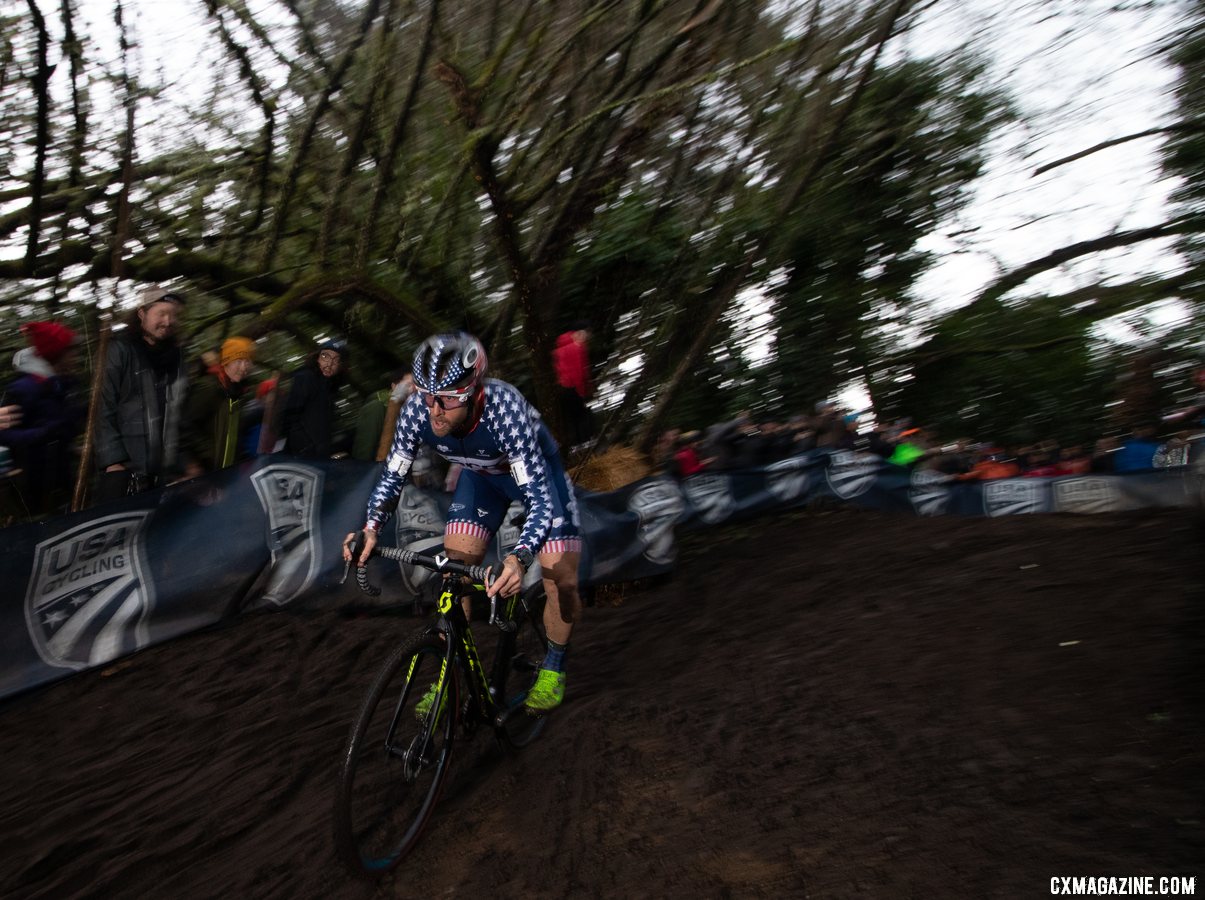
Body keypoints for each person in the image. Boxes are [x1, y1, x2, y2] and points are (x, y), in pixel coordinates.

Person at [344, 332, 584, 714]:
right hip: (481, 481)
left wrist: (519, 559)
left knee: (561, 577)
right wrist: (371, 527)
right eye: (426, 395)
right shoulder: (417, 411)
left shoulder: (504, 409)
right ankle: (449, 678)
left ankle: (554, 666)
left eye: (447, 399)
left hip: (538, 480)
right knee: (454, 572)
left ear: (473, 393)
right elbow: (393, 475)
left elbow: (539, 501)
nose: (434, 410)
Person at [95, 287, 189, 502]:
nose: (168, 321)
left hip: (162, 471)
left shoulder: (177, 357)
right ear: (142, 313)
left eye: (173, 315)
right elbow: (103, 406)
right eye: (161, 314)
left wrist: (181, 463)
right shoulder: (120, 350)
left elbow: (179, 414)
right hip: (125, 468)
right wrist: (112, 461)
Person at [0, 321, 85, 517]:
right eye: (70, 352)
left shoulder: (64, 386)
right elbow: (5, 435)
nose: (75, 357)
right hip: (32, 483)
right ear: (57, 354)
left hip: (63, 478)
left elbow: (68, 424)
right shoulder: (23, 389)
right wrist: (44, 434)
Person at [180, 336, 257, 475]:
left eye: (247, 362)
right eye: (239, 361)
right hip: (205, 473)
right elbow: (186, 425)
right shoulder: (209, 387)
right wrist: (209, 455)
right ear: (226, 361)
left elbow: (234, 434)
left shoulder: (237, 392)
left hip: (227, 474)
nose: (244, 367)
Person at [280, 338, 346, 458]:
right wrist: (305, 446)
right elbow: (290, 416)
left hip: (319, 456)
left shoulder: (331, 387)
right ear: (317, 358)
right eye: (325, 357)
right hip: (300, 455)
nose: (330, 364)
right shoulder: (306, 378)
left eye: (336, 360)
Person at [352, 368, 412, 462]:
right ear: (394, 386)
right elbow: (364, 449)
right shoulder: (376, 408)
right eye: (408, 385)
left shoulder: (410, 408)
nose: (412, 389)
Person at [552, 326, 594, 448]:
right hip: (575, 387)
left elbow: (558, 369)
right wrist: (583, 390)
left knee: (571, 417)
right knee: (582, 415)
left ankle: (575, 445)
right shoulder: (579, 348)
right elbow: (581, 371)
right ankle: (586, 442)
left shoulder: (558, 350)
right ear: (579, 333)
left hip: (563, 387)